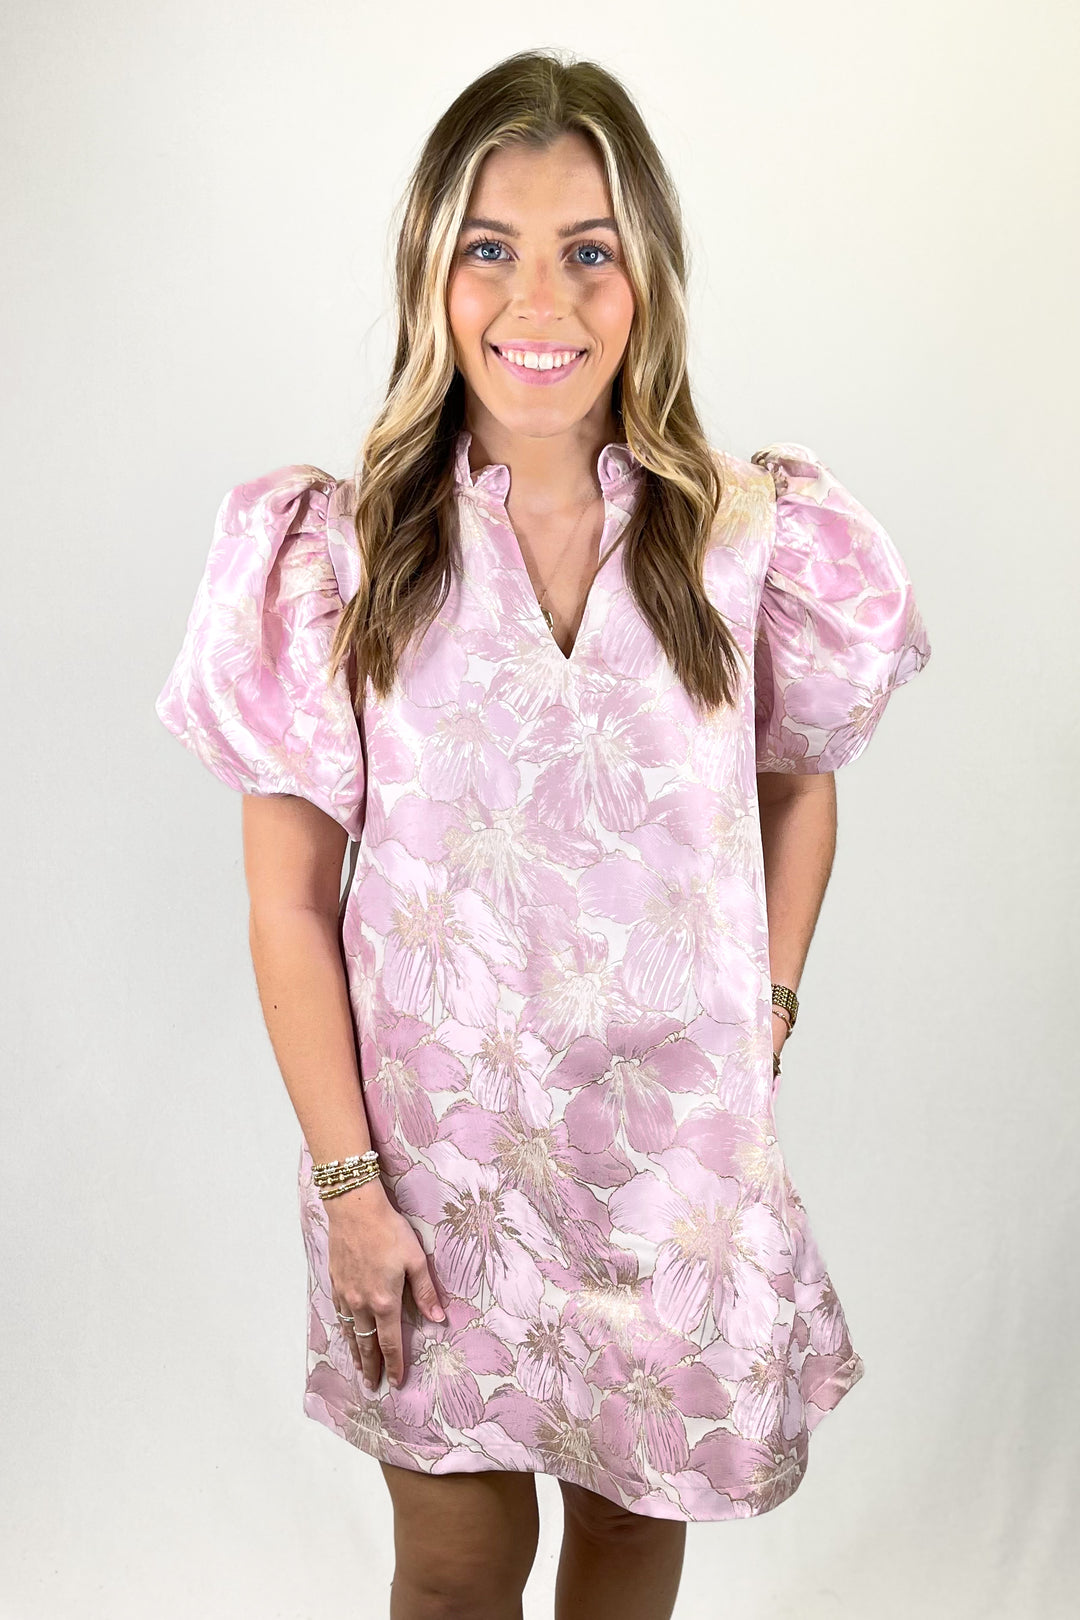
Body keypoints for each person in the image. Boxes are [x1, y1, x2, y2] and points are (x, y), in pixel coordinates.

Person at [155, 47, 932, 1620]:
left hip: (676, 1179)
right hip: (433, 1175)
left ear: (646, 274)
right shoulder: (345, 554)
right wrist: (351, 1188)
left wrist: (764, 1009)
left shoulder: (743, 534)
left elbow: (799, 776)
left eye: (589, 251)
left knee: (636, 1550)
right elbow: (289, 907)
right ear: (431, 275)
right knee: (453, 1568)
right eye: (489, 249)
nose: (543, 300)